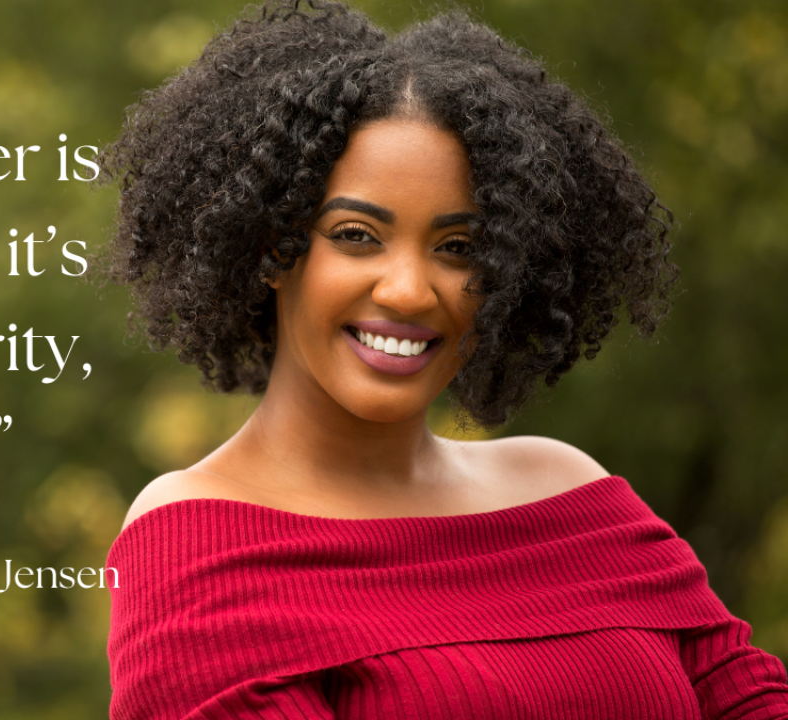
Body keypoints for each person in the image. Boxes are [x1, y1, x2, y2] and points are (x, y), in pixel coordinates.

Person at [98, 1, 788, 718]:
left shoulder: (573, 496)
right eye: (358, 235)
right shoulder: (201, 546)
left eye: (458, 249)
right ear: (275, 248)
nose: (408, 290)